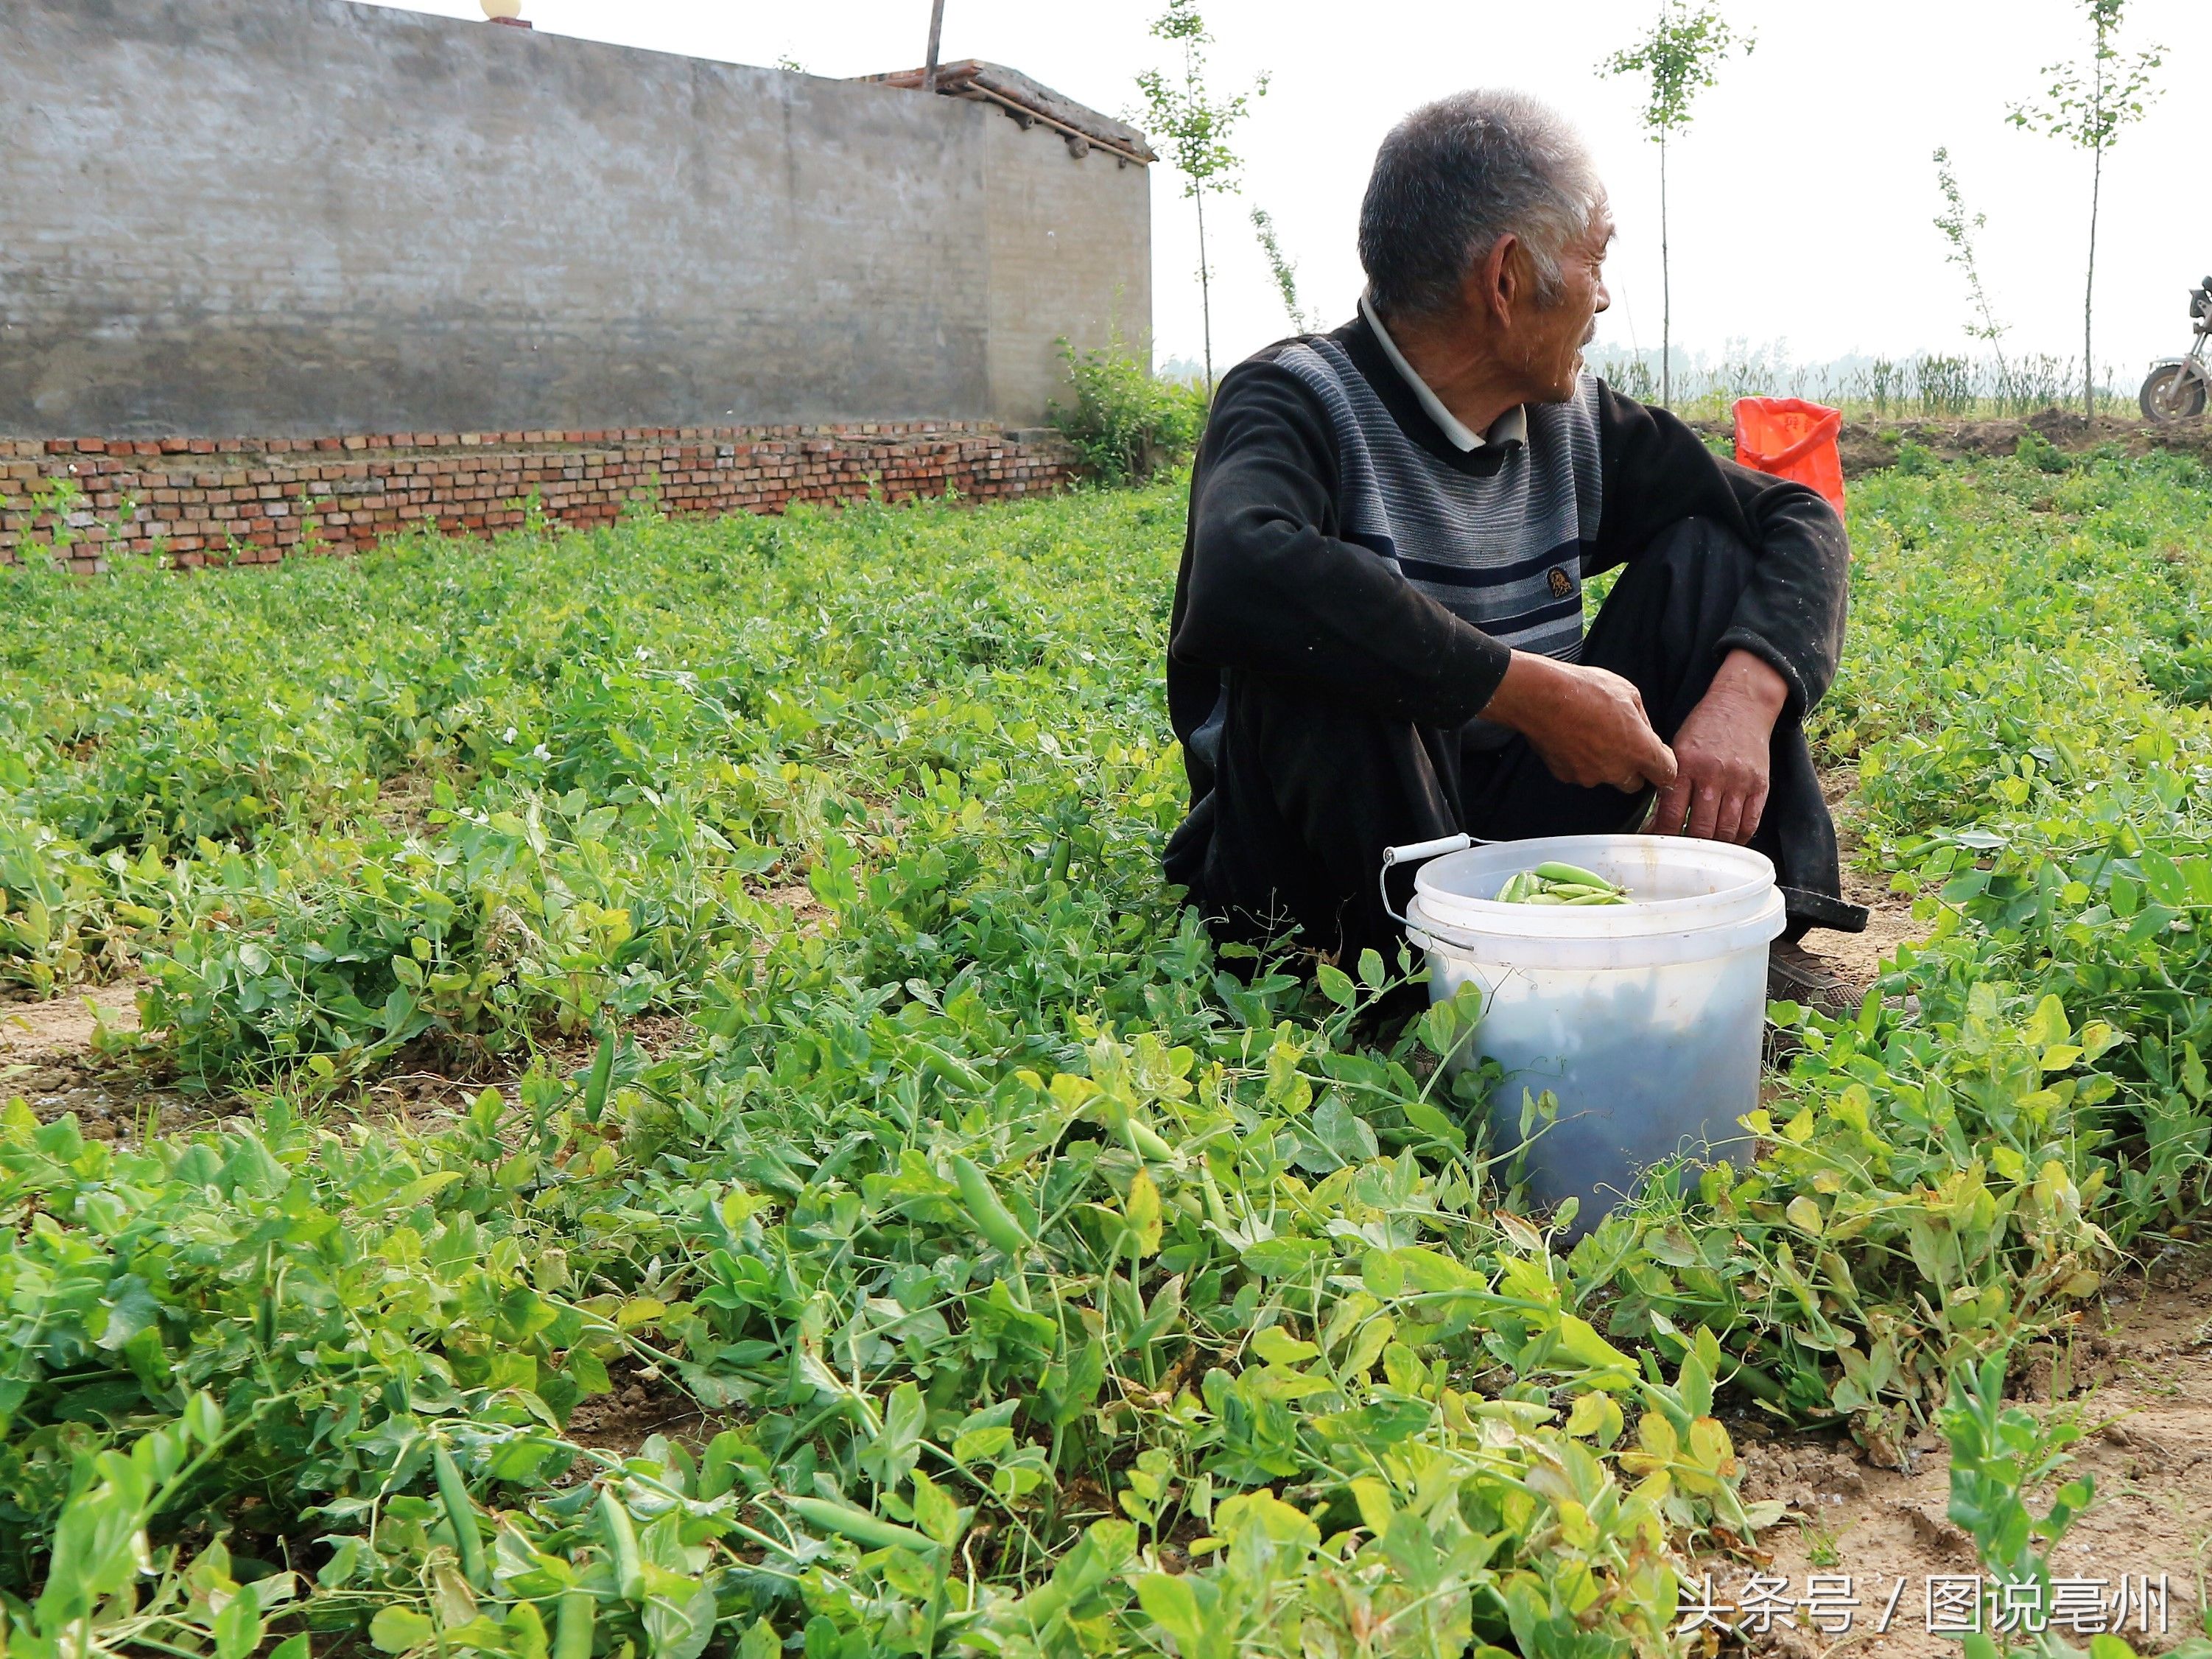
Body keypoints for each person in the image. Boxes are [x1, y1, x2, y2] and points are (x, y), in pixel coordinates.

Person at [1162, 88, 1866, 1001]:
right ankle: (1420, 997)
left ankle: (1752, 942)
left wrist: (1745, 694)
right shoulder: (1295, 401)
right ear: (1505, 280)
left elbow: (1797, 518)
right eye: (1596, 258)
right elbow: (1241, 574)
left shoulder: (1572, 422)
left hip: (1506, 821)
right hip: (1320, 864)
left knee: (1712, 550)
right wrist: (1531, 694)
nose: (1604, 295)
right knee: (1318, 638)